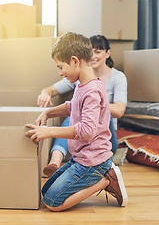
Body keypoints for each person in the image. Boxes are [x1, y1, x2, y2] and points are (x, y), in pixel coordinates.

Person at [26, 32, 128, 211]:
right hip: (80, 157)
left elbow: (87, 130)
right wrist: (49, 113)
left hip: (93, 161)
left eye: (60, 67)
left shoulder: (92, 90)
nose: (60, 73)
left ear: (75, 61)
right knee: (46, 190)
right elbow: (72, 105)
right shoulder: (82, 84)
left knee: (52, 202)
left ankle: (106, 180)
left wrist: (49, 132)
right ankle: (101, 177)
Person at [39, 34, 127, 177]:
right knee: (76, 112)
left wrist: (93, 106)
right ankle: (54, 162)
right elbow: (51, 90)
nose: (93, 55)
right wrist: (45, 98)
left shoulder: (116, 77)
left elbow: (119, 110)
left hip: (104, 136)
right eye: (91, 51)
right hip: (85, 140)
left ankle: (60, 160)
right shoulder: (78, 76)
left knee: (77, 114)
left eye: (98, 51)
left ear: (107, 53)